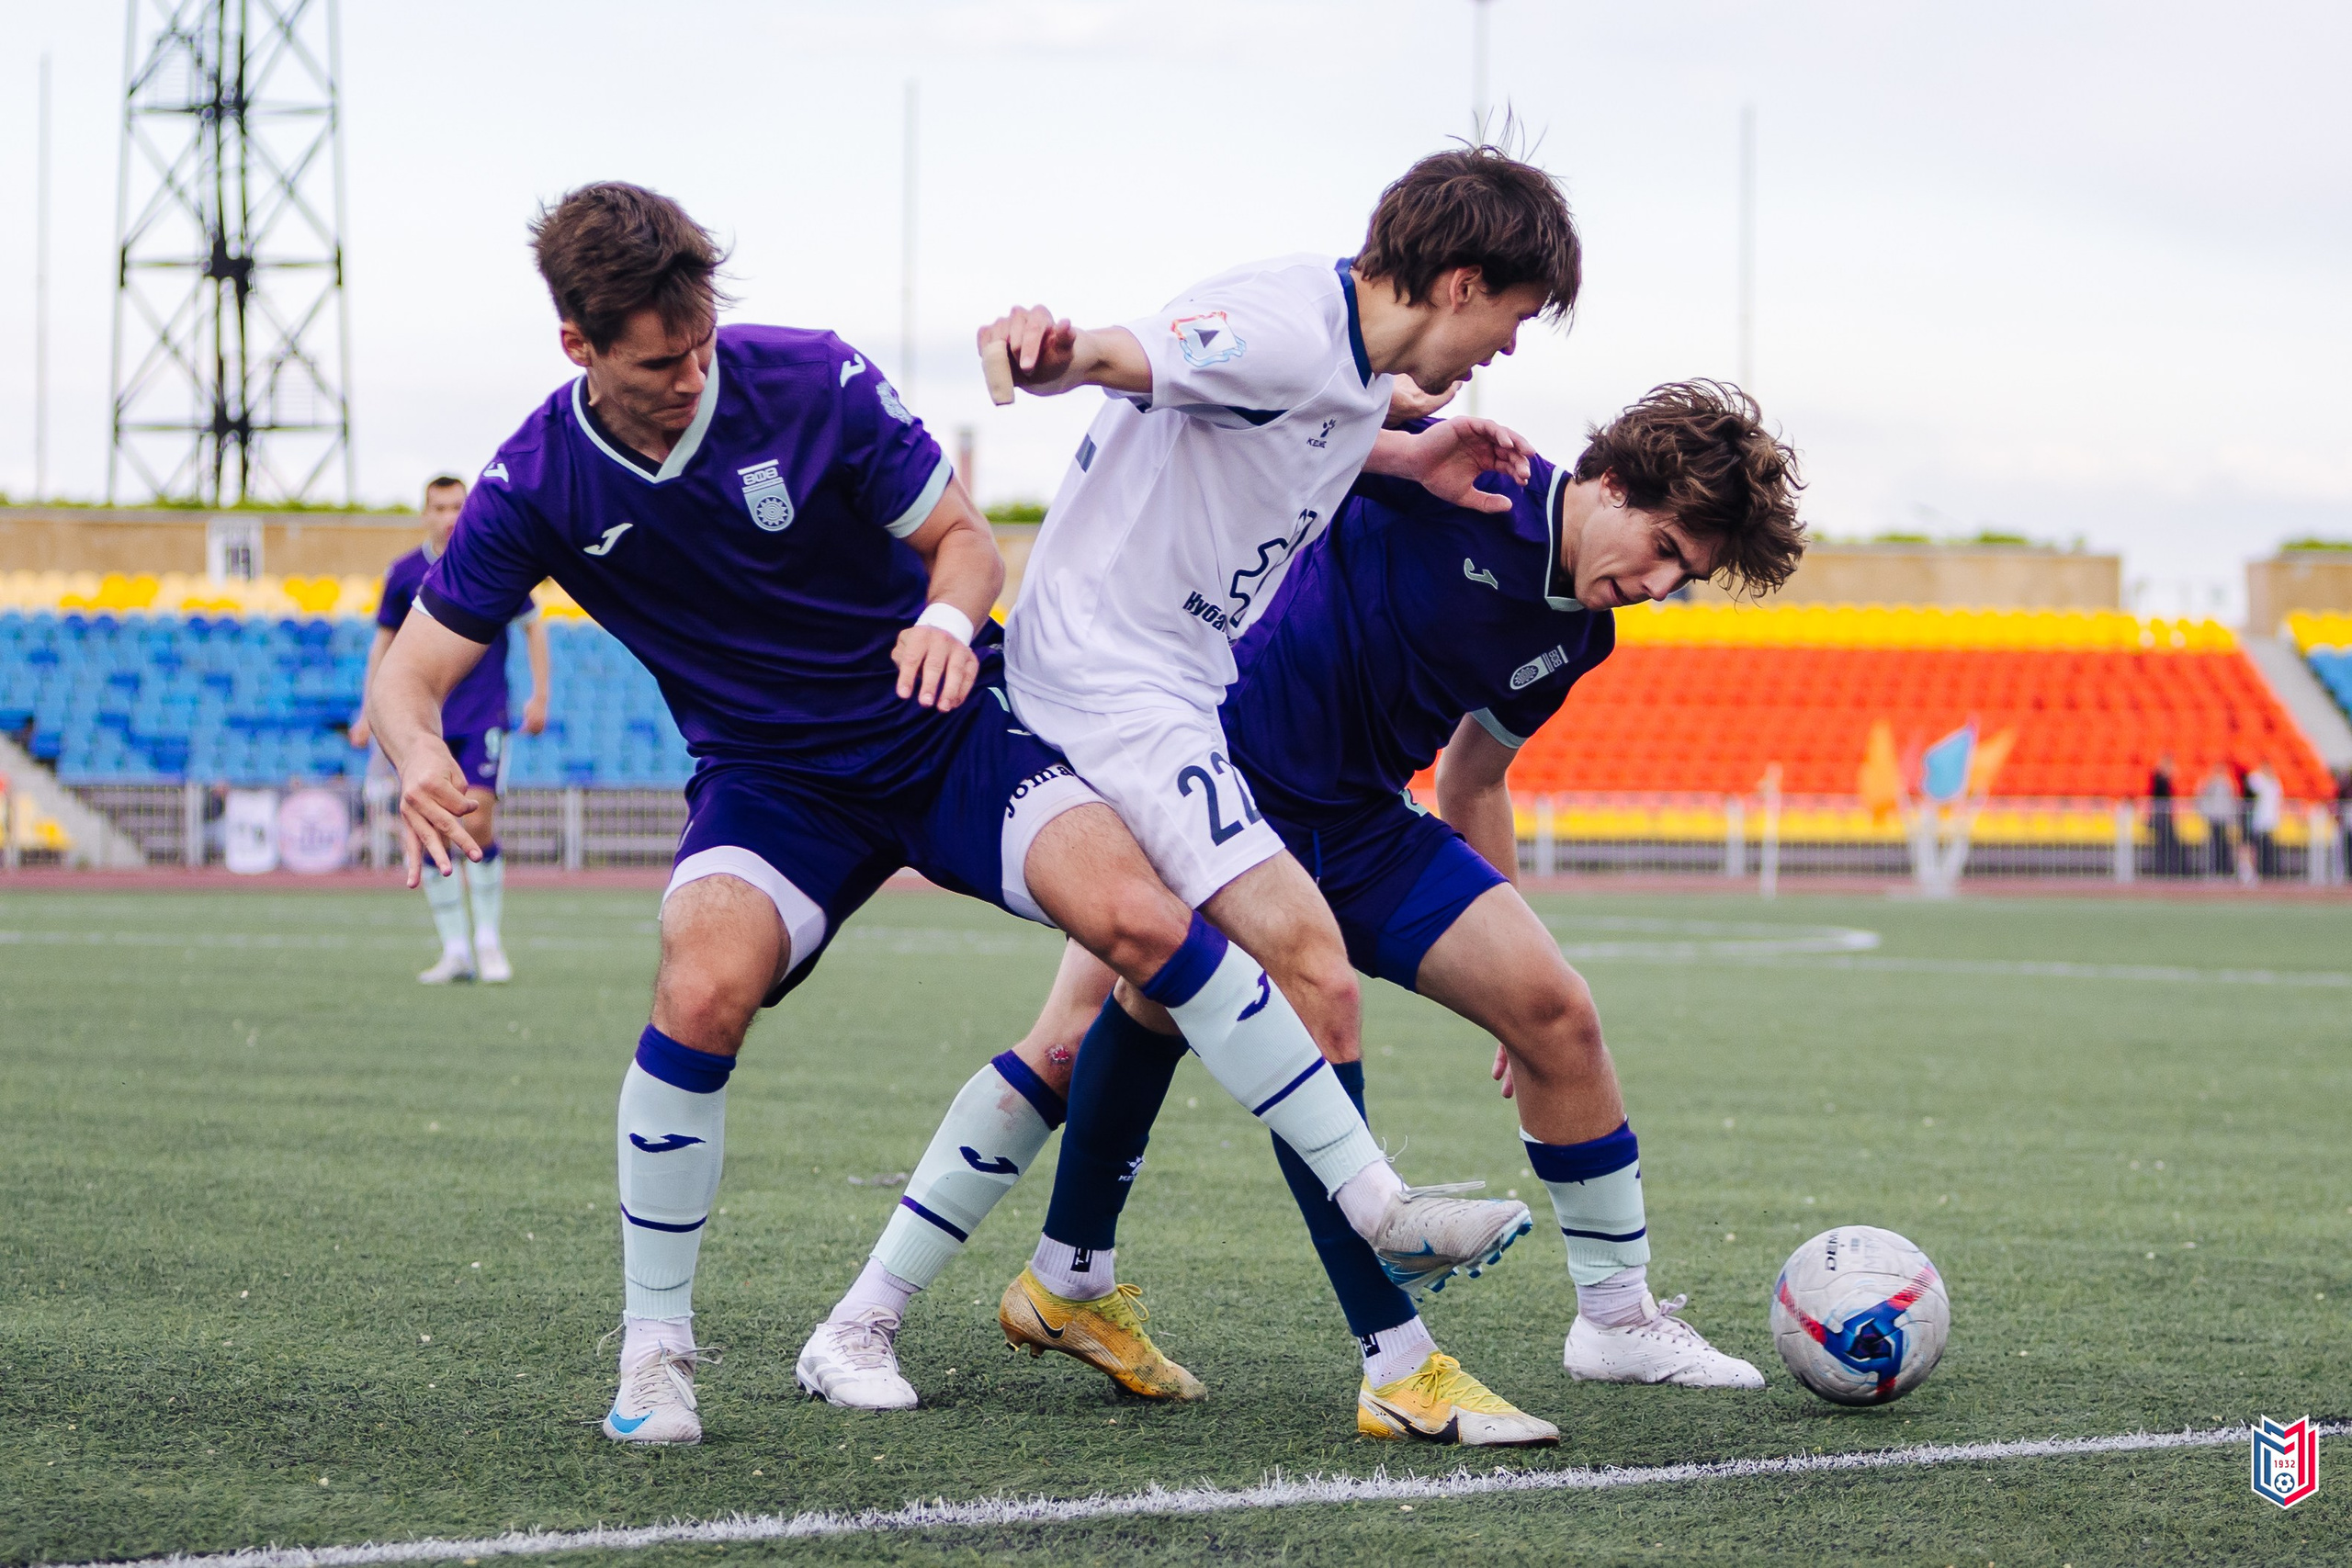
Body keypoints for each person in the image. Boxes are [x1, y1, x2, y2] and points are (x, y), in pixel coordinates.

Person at [366, 182, 1510, 1448]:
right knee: (700, 987)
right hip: (773, 781)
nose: (692, 375)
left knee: (1144, 923)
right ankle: (656, 1353)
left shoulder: (811, 378)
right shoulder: (535, 480)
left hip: (947, 725)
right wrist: (417, 756)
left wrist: (947, 620)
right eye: (657, 361)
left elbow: (964, 540)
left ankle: (1366, 1208)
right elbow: (409, 678)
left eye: (701, 343)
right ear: (577, 345)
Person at [810, 383, 1809, 1445]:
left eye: (1682, 576)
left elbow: (1472, 778)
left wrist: (1504, 976)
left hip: (1361, 825)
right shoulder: (1463, 476)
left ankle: (1616, 1320)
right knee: (1079, 1036)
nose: (1656, 585)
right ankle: (872, 1317)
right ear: (1611, 483)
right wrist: (1374, 405)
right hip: (1213, 784)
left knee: (1555, 1012)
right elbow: (1282, 431)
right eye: (1662, 549)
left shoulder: (1585, 635)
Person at [927, 145, 1577, 1399]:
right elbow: (1131, 356)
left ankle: (1017, 1286)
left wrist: (1407, 456)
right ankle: (1400, 1355)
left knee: (1131, 1004)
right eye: (1511, 316)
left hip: (1170, 685)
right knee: (1312, 966)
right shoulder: (1282, 321)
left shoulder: (1353, 363)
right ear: (1459, 281)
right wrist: (1048, 349)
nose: (1504, 347)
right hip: (1114, 682)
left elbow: (1299, 419)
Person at [351, 474, 549, 982]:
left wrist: (541, 694)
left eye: (458, 506)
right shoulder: (403, 573)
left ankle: (488, 941)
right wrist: (370, 709)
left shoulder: (493, 560)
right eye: (439, 508)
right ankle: (455, 949)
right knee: (427, 823)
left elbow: (533, 626)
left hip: (483, 714)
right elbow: (384, 645)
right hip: (422, 722)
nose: (449, 517)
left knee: (477, 821)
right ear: (425, 513)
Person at [2196, 762, 2237, 878]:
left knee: (2224, 845)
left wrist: (2231, 817)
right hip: (2213, 817)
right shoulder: (2209, 783)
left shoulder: (2227, 783)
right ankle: (2214, 870)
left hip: (2223, 818)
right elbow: (2202, 798)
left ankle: (2224, 869)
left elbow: (2230, 802)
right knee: (2214, 845)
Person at [2245, 760, 2283, 879]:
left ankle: (2269, 871)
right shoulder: (2260, 780)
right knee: (2259, 847)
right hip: (2260, 819)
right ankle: (2260, 870)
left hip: (2271, 820)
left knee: (2269, 847)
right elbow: (2251, 782)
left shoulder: (2274, 782)